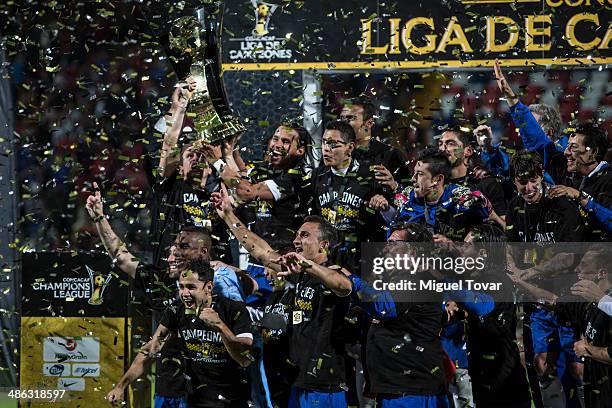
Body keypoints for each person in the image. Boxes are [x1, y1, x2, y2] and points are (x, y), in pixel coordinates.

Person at [211, 184, 353, 408]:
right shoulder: (296, 274)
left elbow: (344, 287)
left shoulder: (336, 272)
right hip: (296, 381)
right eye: (297, 235)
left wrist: (308, 266)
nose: (296, 241)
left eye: (304, 236)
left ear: (324, 245)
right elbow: (260, 250)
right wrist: (229, 215)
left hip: (326, 385)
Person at [107, 260, 254, 408]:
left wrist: (219, 325)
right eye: (181, 287)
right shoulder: (176, 311)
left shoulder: (234, 309)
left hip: (232, 399)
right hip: (196, 398)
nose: (184, 294)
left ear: (208, 287)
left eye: (191, 287)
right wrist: (121, 386)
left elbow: (245, 359)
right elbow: (150, 349)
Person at [341, 222, 450, 407]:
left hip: (413, 392)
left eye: (393, 243)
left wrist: (352, 281)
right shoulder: (394, 282)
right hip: (394, 389)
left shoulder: (419, 280)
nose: (385, 249)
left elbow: (384, 306)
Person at [211, 122, 310, 249]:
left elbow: (247, 192)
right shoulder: (265, 170)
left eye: (285, 141)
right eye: (275, 139)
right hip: (257, 251)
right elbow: (242, 180)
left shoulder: (297, 177)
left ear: (300, 150)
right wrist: (230, 152)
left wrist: (215, 161)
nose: (277, 145)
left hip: (283, 256)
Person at [307, 119, 389, 271]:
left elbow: (391, 214)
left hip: (363, 258)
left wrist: (384, 203)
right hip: (328, 256)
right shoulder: (317, 176)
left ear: (350, 147)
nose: (326, 149)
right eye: (324, 142)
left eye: (333, 144)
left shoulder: (371, 175)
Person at [390, 147, 491, 242]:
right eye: (414, 173)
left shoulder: (462, 197)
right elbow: (393, 236)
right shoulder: (407, 197)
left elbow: (486, 234)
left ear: (438, 179)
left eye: (420, 174)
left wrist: (453, 245)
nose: (413, 179)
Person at [494, 60, 568, 185]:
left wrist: (510, 96)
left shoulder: (561, 156)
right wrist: (489, 150)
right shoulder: (527, 157)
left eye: (533, 124)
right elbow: (506, 169)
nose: (526, 129)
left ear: (549, 132)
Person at [549, 123, 612, 239]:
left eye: (574, 148)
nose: (566, 152)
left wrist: (579, 197)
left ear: (593, 152)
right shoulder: (572, 175)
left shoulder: (609, 180)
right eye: (568, 146)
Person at [340, 97, 411, 193]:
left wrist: (395, 187)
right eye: (342, 118)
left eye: (350, 118)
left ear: (369, 123)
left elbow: (411, 196)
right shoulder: (335, 154)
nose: (343, 124)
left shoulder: (391, 155)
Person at [438, 125, 507, 223]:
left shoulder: (486, 183)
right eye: (440, 144)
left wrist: (489, 212)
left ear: (468, 151)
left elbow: (506, 230)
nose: (443, 148)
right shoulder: (436, 185)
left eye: (450, 143)